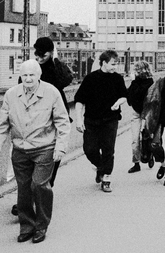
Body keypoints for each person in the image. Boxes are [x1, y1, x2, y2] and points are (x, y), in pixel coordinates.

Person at [0, 59, 70, 244]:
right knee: (24, 189)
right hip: (20, 149)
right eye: (24, 75)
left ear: (39, 75)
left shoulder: (51, 93)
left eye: (31, 75)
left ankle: (41, 226)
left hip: (44, 148)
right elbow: (2, 124)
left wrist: (60, 147)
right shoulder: (11, 94)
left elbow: (62, 122)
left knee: (39, 185)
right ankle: (26, 226)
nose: (27, 79)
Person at [10, 37, 74, 217]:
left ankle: (41, 193)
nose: (38, 58)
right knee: (30, 165)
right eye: (36, 54)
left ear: (51, 52)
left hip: (55, 117)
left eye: (43, 54)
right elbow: (20, 89)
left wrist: (55, 60)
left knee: (51, 160)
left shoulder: (55, 69)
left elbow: (67, 79)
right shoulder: (31, 70)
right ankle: (30, 199)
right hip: (35, 120)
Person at [73, 50, 128, 193]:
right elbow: (79, 100)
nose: (115, 67)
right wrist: (78, 120)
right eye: (113, 64)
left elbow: (124, 96)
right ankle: (100, 168)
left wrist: (118, 102)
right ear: (104, 63)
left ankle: (106, 178)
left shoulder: (118, 79)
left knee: (108, 149)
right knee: (89, 149)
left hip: (111, 119)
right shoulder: (91, 79)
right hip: (91, 120)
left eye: (117, 64)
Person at [126, 61, 155, 173]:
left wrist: (134, 81)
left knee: (147, 136)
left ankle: (149, 154)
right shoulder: (135, 83)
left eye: (137, 70)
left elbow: (141, 94)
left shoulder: (150, 82)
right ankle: (136, 162)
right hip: (136, 112)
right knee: (135, 139)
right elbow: (129, 95)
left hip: (147, 112)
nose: (135, 72)